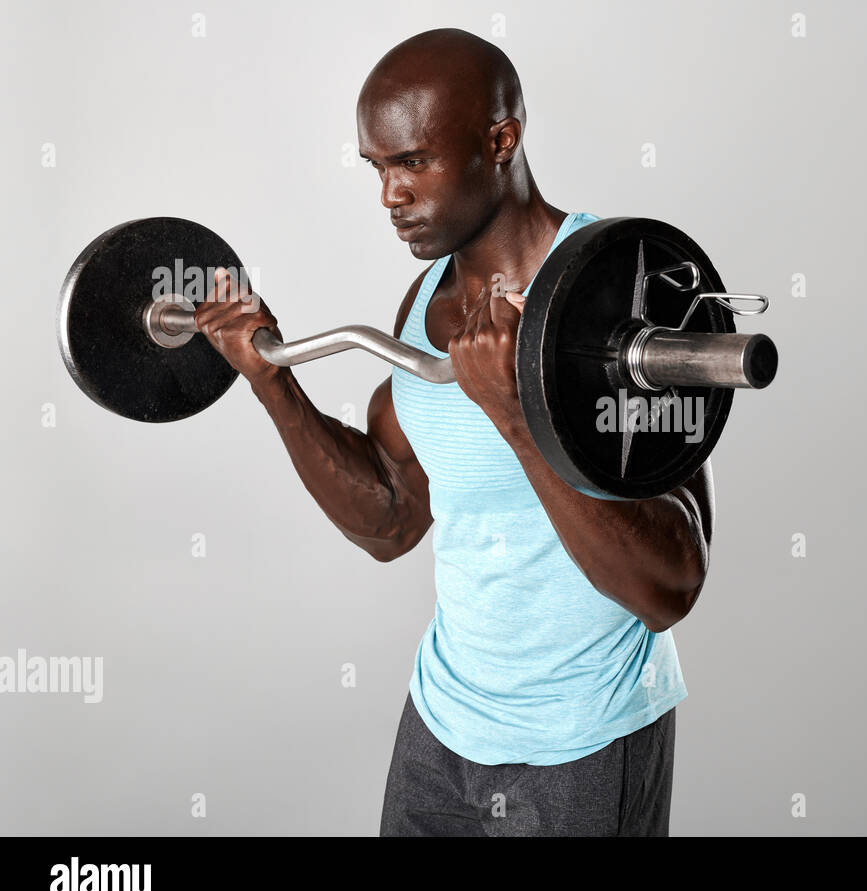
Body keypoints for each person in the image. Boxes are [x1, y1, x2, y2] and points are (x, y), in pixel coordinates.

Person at [189, 28, 713, 836]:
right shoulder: (424, 298)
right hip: (443, 725)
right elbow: (394, 517)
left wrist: (515, 412)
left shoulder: (620, 288)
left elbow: (669, 585)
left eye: (412, 162)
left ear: (500, 140)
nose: (390, 195)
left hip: (584, 738)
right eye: (377, 168)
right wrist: (274, 384)